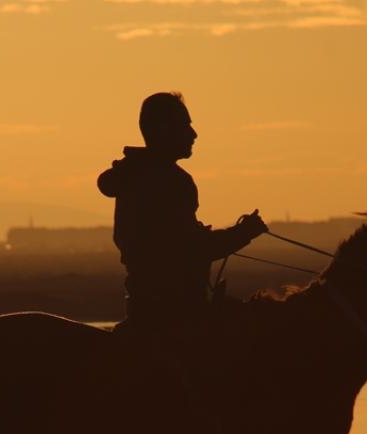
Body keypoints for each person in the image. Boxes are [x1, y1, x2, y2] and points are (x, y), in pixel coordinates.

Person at [98, 92, 268, 338]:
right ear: (163, 130)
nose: (193, 134)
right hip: (175, 318)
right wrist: (244, 232)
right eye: (185, 125)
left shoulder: (136, 175)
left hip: (144, 311)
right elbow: (192, 248)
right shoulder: (172, 181)